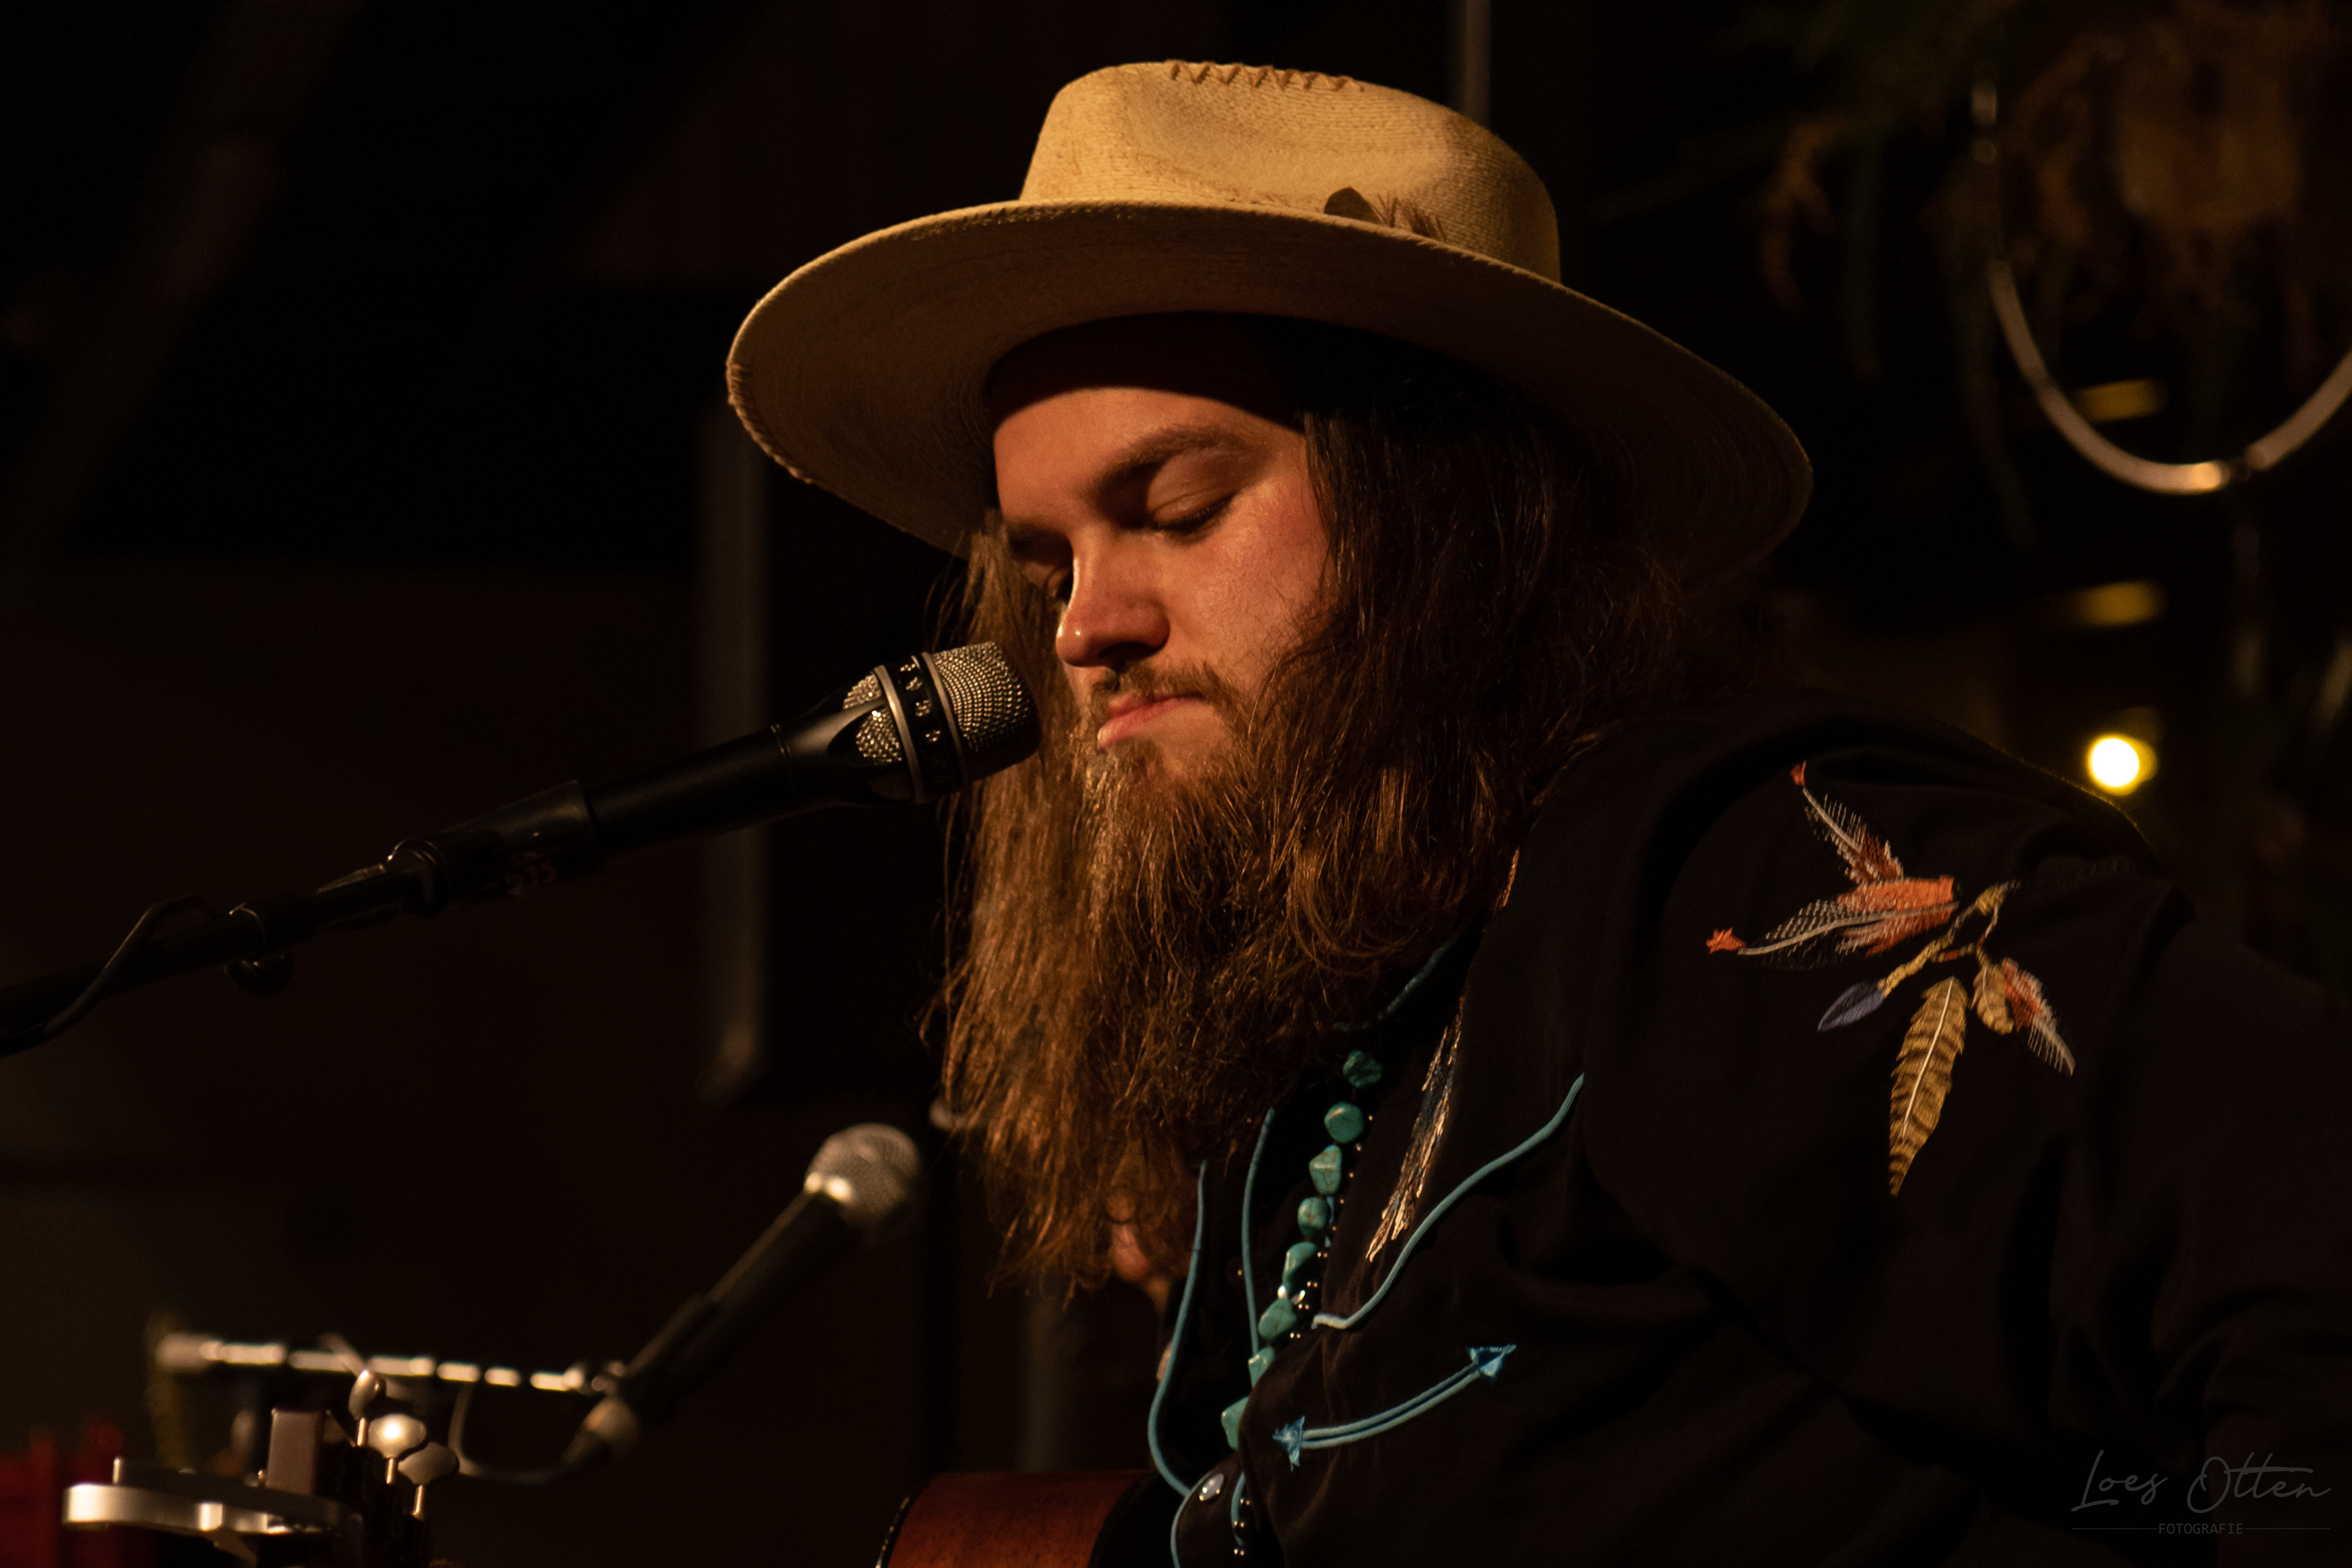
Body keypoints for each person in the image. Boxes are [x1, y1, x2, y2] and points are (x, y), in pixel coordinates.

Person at [726, 62, 2351, 1565]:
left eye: (1180, 506)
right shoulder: (1354, 1034)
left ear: (1443, 518)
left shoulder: (1716, 884)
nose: (1086, 625)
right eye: (1047, 568)